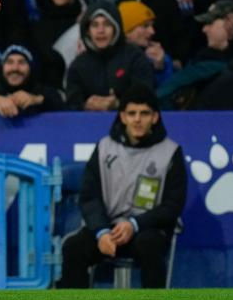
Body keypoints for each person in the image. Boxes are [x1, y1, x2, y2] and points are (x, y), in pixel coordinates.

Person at [57, 85, 187, 288]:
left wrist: (134, 224)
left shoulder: (171, 152)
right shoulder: (104, 148)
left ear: (155, 117)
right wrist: (101, 231)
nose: (137, 119)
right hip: (107, 229)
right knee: (73, 247)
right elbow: (90, 197)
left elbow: (173, 206)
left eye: (144, 114)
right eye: (132, 113)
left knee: (150, 245)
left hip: (148, 229)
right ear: (122, 117)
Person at [66, 2, 154, 111]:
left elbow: (146, 97)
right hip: (89, 124)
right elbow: (70, 105)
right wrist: (85, 105)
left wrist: (118, 103)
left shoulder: (135, 57)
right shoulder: (77, 66)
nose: (101, 31)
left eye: (107, 24)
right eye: (95, 25)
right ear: (87, 31)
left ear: (116, 28)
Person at [0, 44, 65, 116]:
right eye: (9, 62)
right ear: (2, 67)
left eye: (21, 62)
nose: (15, 68)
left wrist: (37, 100)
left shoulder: (41, 91)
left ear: (31, 68)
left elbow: (64, 107)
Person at [118, 1, 174, 86]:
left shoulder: (157, 56)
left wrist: (160, 68)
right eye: (145, 26)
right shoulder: (112, 57)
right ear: (127, 32)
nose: (152, 31)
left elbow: (168, 92)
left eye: (152, 25)